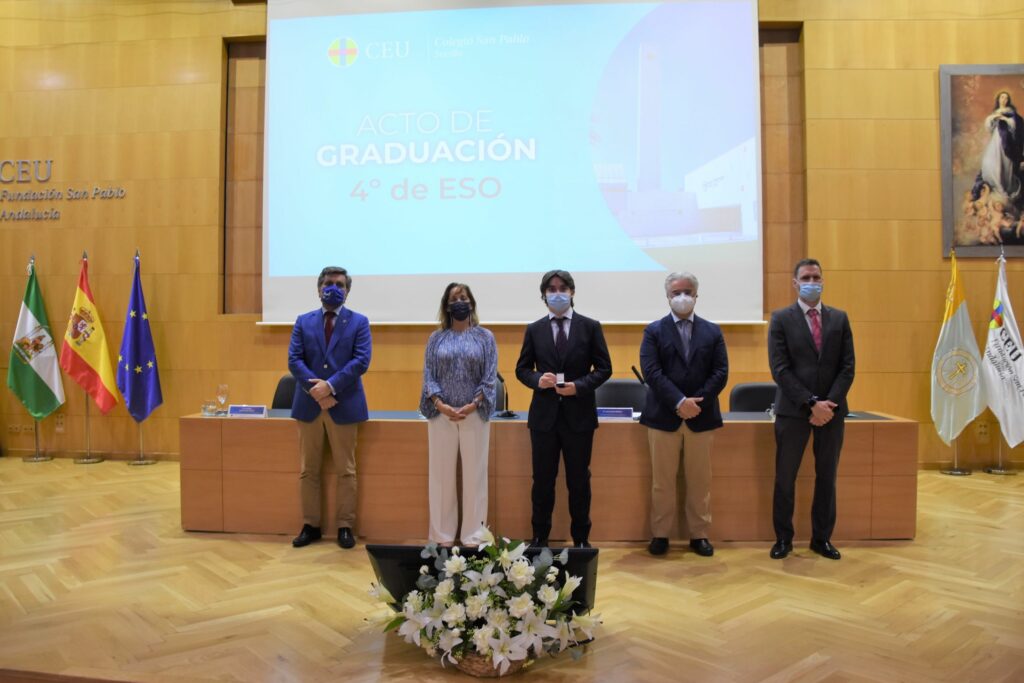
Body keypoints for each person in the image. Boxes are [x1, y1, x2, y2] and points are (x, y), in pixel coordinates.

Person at [515, 270, 611, 548]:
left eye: (563, 288)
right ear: (543, 295)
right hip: (544, 418)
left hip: (579, 417)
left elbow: (604, 368)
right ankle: (539, 537)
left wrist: (579, 386)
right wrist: (537, 380)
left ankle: (581, 538)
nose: (557, 293)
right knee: (542, 481)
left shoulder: (590, 326)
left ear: (572, 292)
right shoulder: (534, 329)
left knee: (579, 481)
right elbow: (522, 369)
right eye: (552, 289)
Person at [768, 259, 855, 561]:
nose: (812, 281)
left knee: (827, 477)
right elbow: (780, 369)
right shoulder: (780, 319)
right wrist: (810, 404)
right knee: (785, 478)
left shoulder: (840, 319)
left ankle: (822, 539)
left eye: (816, 276)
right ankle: (783, 539)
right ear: (794, 282)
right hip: (794, 412)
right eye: (806, 277)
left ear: (823, 280)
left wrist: (828, 404)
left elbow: (847, 367)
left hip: (832, 412)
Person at [639, 272, 728, 557]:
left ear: (696, 295)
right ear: (667, 296)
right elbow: (651, 372)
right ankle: (660, 534)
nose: (682, 297)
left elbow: (720, 372)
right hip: (664, 417)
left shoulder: (713, 332)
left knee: (700, 482)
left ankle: (699, 535)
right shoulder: (653, 331)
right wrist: (679, 401)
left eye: (687, 291)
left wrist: (695, 402)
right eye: (676, 292)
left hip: (702, 418)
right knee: (661, 482)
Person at [288, 266, 372, 549]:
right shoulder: (303, 321)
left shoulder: (359, 322)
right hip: (309, 405)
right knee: (307, 470)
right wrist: (318, 391)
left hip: (344, 404)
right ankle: (310, 524)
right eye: (327, 283)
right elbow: (294, 360)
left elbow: (361, 361)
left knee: (346, 469)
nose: (332, 288)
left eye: (338, 284)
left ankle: (345, 526)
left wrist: (330, 386)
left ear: (347, 291)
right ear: (318, 288)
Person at [420, 283, 498, 547]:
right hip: (441, 415)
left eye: (463, 297)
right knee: (441, 476)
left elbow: (489, 378)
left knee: (475, 476)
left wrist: (473, 404)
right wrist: (440, 404)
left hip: (474, 414)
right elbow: (428, 375)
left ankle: (473, 536)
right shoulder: (436, 338)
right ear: (446, 305)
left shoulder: (485, 337)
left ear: (472, 303)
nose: (460, 302)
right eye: (454, 298)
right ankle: (442, 535)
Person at [974, 91, 1024, 206]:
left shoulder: (1011, 113)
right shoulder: (995, 112)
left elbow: (1015, 126)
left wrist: (1005, 119)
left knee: (1005, 166)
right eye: (1002, 97)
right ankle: (996, 188)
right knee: (989, 163)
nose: (1004, 100)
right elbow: (988, 126)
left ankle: (1003, 190)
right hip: (995, 142)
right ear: (998, 99)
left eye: (1006, 98)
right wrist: (994, 117)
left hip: (1007, 144)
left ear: (1008, 100)